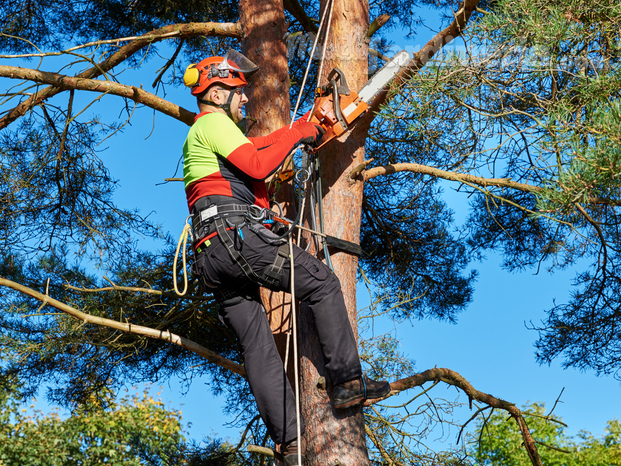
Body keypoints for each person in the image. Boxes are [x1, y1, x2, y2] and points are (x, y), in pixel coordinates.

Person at [182, 49, 390, 466]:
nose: (245, 100)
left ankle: (291, 444)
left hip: (211, 256)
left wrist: (303, 128)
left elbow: (257, 150)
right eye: (239, 93)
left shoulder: (211, 137)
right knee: (322, 283)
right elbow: (258, 164)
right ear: (219, 93)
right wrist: (298, 134)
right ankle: (347, 381)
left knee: (257, 345)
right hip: (234, 239)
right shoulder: (213, 124)